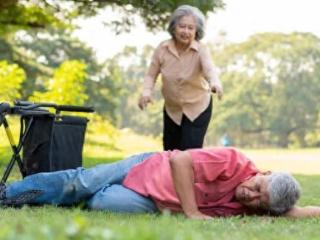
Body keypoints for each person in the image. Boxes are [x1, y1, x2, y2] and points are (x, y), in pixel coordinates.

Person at [1, 147, 319, 218]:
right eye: (256, 190)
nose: (249, 197)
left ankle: (49, 194)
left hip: (154, 200)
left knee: (99, 203)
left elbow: (299, 212)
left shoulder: (258, 205)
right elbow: (181, 161)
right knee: (81, 184)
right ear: (263, 174)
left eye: (258, 202)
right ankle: (10, 193)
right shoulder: (234, 161)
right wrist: (192, 212)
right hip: (151, 166)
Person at [138, 5, 223, 150]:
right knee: (170, 152)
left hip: (198, 107)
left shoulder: (200, 50)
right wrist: (146, 92)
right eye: (182, 26)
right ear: (173, 27)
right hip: (173, 109)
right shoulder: (162, 49)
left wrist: (215, 83)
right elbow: (151, 75)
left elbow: (209, 69)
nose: (186, 31)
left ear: (196, 31)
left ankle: (190, 173)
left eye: (191, 28)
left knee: (188, 153)